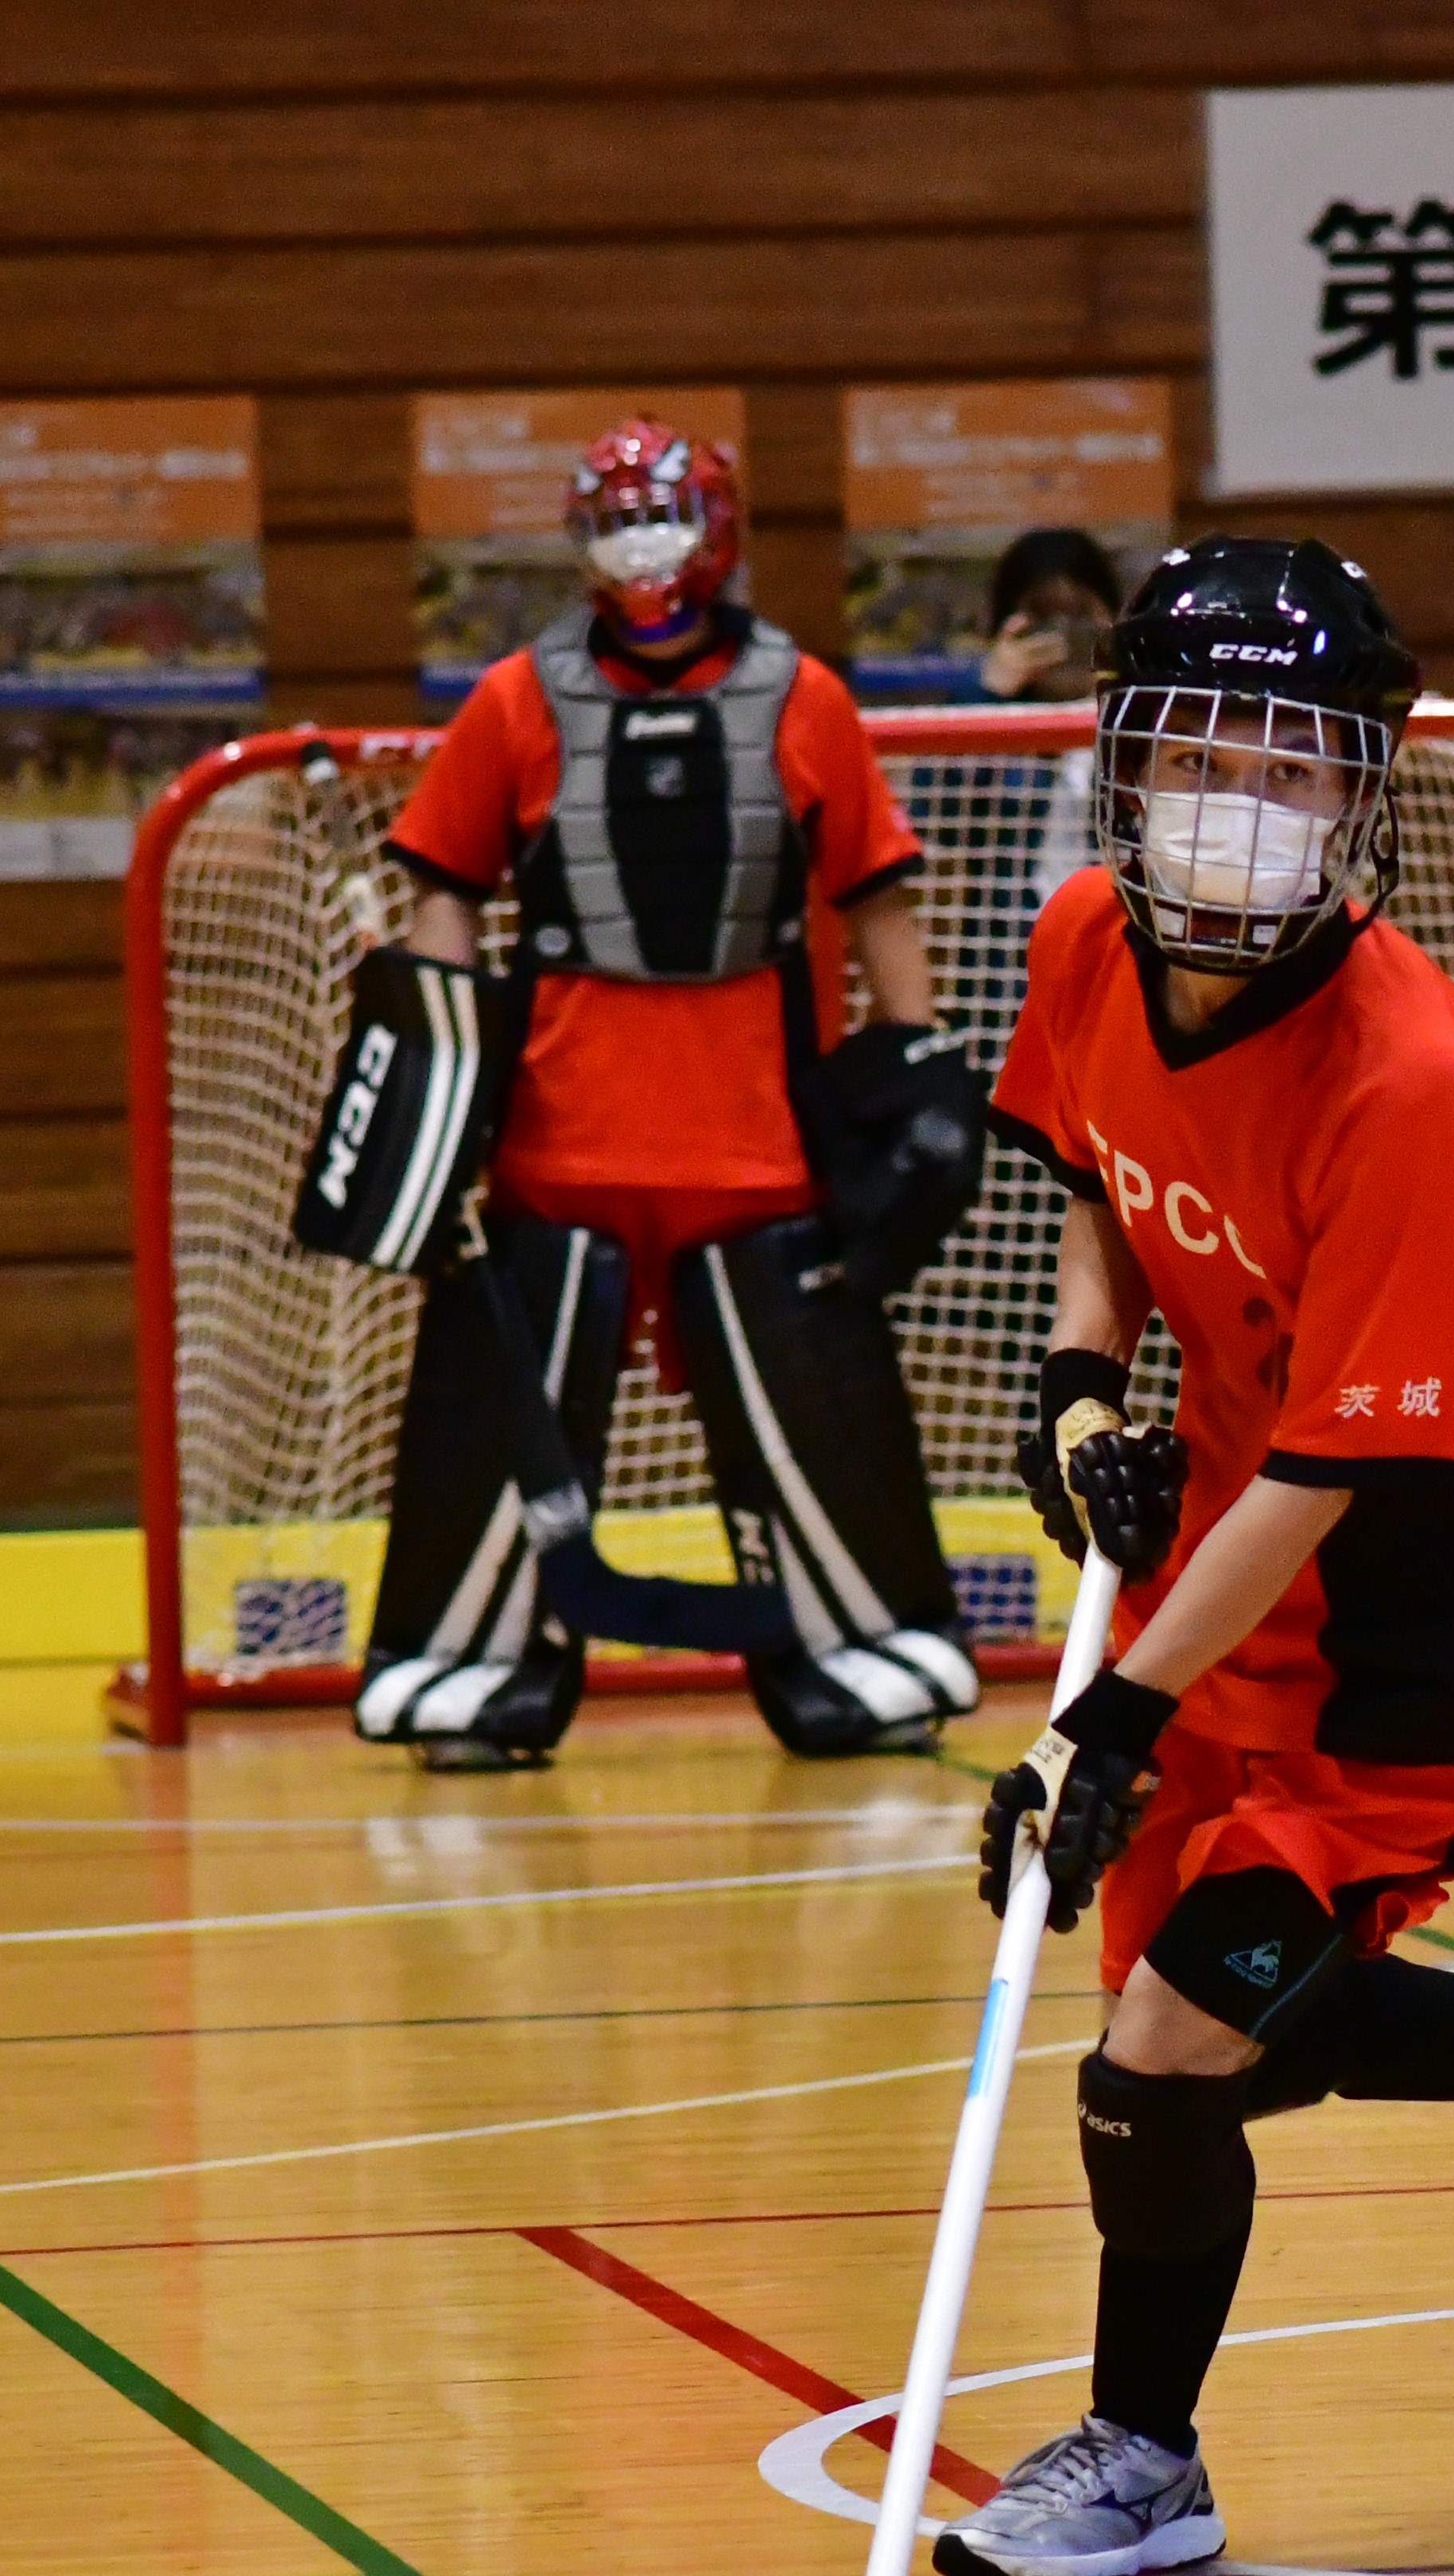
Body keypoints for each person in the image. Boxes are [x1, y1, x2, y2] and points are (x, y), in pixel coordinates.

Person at [929, 537, 1454, 2576]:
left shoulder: (1410, 1085)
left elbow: (1333, 1471)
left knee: (1167, 2049)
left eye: (1297, 768)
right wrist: (1081, 1386)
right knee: (1202, 2042)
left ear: (1360, 797)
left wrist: (1106, 1715)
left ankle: (1143, 2460)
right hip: (1232, 1563)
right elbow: (1096, 1179)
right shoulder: (1091, 939)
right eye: (1206, 753)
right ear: (1124, 762)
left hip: (1426, 1630)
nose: (1241, 804)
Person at [362, 421, 987, 1767]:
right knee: (503, 1418)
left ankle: (861, 1659)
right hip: (549, 1140)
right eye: (616, 518)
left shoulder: (802, 695)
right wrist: (441, 1081)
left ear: (716, 524)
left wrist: (920, 1062)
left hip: (758, 1142)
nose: (641, 546)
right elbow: (443, 891)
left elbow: (875, 889)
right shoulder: (512, 701)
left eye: (663, 515)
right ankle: (469, 1671)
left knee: (813, 1411)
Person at [972, 526, 1122, 703]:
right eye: (1043, 616)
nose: (1063, 632)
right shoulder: (971, 704)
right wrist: (993, 695)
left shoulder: (1143, 706)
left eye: (1080, 613)